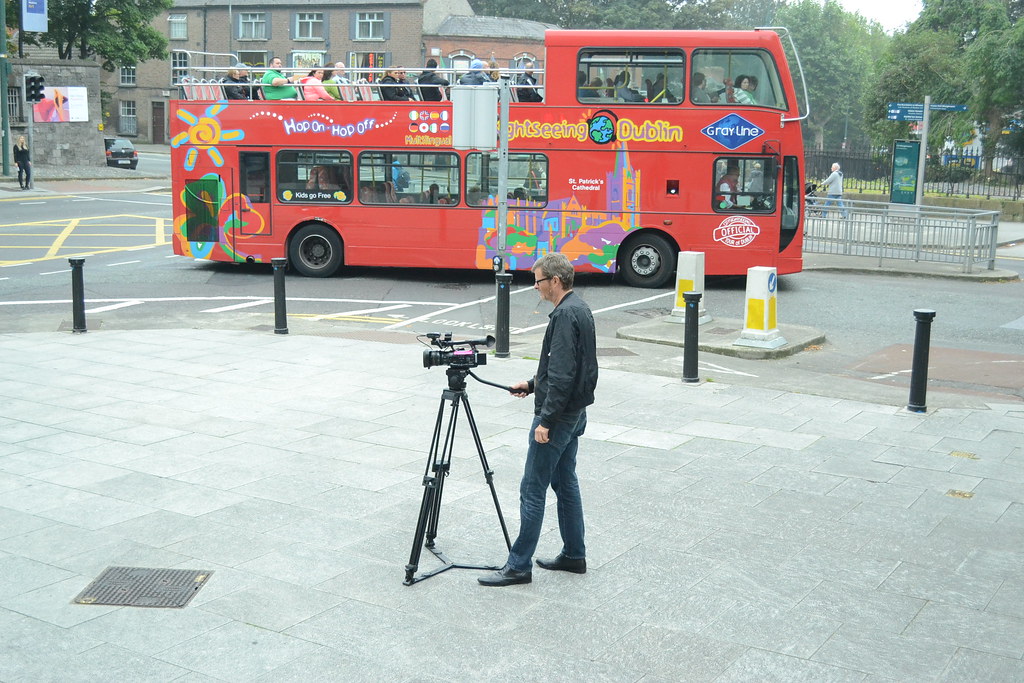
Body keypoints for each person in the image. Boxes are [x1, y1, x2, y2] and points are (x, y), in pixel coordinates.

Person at [478, 253, 598, 587]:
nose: (535, 286)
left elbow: (562, 374)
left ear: (555, 281)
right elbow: (571, 368)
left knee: (532, 489)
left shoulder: (564, 315)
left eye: (539, 280)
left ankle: (518, 565)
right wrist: (532, 385)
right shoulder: (580, 308)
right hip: (575, 413)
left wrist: (545, 421)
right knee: (565, 483)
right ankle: (575, 555)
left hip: (558, 418)